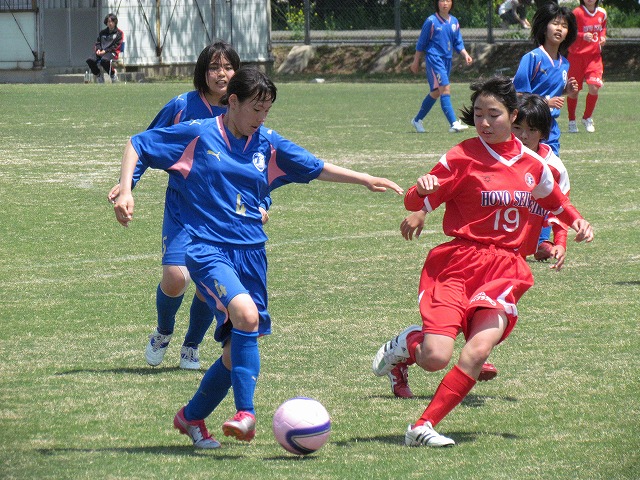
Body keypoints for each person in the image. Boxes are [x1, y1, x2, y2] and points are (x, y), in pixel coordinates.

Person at [113, 66, 404, 448]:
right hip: (207, 249)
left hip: (252, 253)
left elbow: (315, 167)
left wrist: (365, 178)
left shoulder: (267, 144)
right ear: (231, 102)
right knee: (246, 317)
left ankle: (191, 417)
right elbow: (138, 143)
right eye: (255, 109)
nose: (261, 118)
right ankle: (246, 413)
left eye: (266, 111)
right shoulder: (199, 135)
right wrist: (125, 189)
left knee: (236, 353)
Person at [372, 76, 593, 447]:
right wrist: (421, 191)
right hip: (459, 263)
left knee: (477, 350)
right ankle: (407, 345)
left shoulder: (534, 164)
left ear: (513, 115)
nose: (485, 123)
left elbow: (557, 202)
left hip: (506, 269)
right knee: (435, 357)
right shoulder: (462, 155)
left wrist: (577, 222)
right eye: (478, 115)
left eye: (494, 115)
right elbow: (413, 201)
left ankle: (422, 427)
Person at [108, 41, 243, 370]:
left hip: (223, 214)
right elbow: (148, 142)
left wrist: (257, 204)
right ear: (202, 71)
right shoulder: (182, 106)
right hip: (184, 207)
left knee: (208, 282)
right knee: (176, 277)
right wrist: (129, 184)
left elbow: (255, 161)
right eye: (213, 67)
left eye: (227, 66)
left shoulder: (241, 109)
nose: (221, 73)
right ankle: (163, 332)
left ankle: (191, 346)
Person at [513, 93, 572, 267]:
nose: (523, 136)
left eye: (532, 130)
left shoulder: (554, 168)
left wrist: (560, 243)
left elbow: (560, 208)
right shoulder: (494, 158)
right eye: (517, 127)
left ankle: (541, 242)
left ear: (543, 133)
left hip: (521, 251)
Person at [513, 2, 578, 156]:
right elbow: (518, 95)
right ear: (544, 27)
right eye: (555, 23)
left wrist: (566, 91)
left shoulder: (565, 63)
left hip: (551, 128)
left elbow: (549, 91)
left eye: (564, 25)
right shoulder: (533, 58)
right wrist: (546, 103)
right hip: (529, 126)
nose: (559, 28)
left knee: (552, 171)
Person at [409, 0, 473, 134]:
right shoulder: (431, 21)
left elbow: (458, 42)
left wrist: (465, 54)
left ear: (452, 3)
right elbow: (421, 43)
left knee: (436, 92)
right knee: (445, 88)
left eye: (448, 0)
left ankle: (417, 119)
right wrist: (416, 61)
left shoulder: (454, 21)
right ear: (437, 3)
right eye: (442, 0)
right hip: (434, 58)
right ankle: (454, 123)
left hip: (447, 60)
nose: (445, 3)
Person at [566, 0, 607, 134]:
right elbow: (569, 31)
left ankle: (587, 117)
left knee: (594, 87)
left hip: (594, 57)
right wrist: (582, 35)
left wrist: (602, 36)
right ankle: (572, 120)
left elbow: (603, 28)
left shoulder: (602, 13)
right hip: (576, 57)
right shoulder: (577, 13)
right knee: (574, 90)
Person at [86, 13, 124, 83]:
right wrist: (98, 50)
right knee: (89, 60)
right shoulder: (102, 33)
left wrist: (105, 51)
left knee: (104, 60)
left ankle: (113, 75)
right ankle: (99, 75)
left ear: (115, 22)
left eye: (112, 21)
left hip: (112, 52)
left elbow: (116, 46)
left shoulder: (119, 33)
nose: (110, 23)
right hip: (101, 52)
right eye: (108, 21)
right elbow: (98, 43)